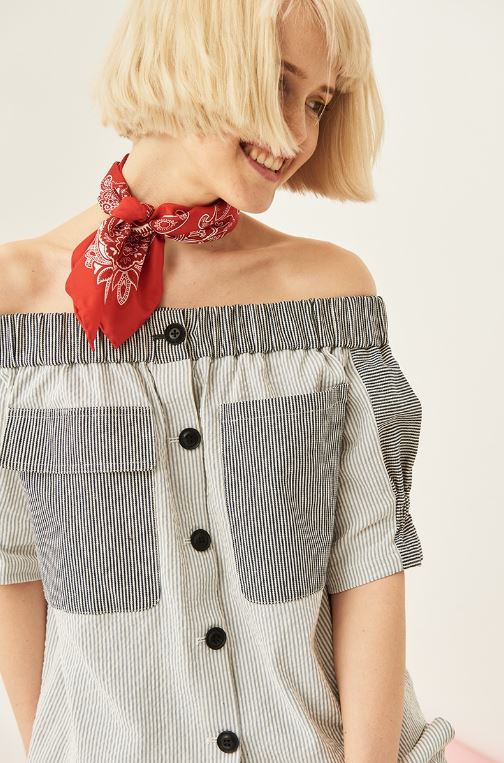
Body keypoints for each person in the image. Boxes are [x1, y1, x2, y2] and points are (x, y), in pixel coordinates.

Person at [0, 0, 455, 761]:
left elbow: (369, 556)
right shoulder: (15, 305)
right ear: (194, 56)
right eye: (279, 84)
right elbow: (14, 564)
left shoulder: (326, 297)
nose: (300, 134)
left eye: (318, 102)